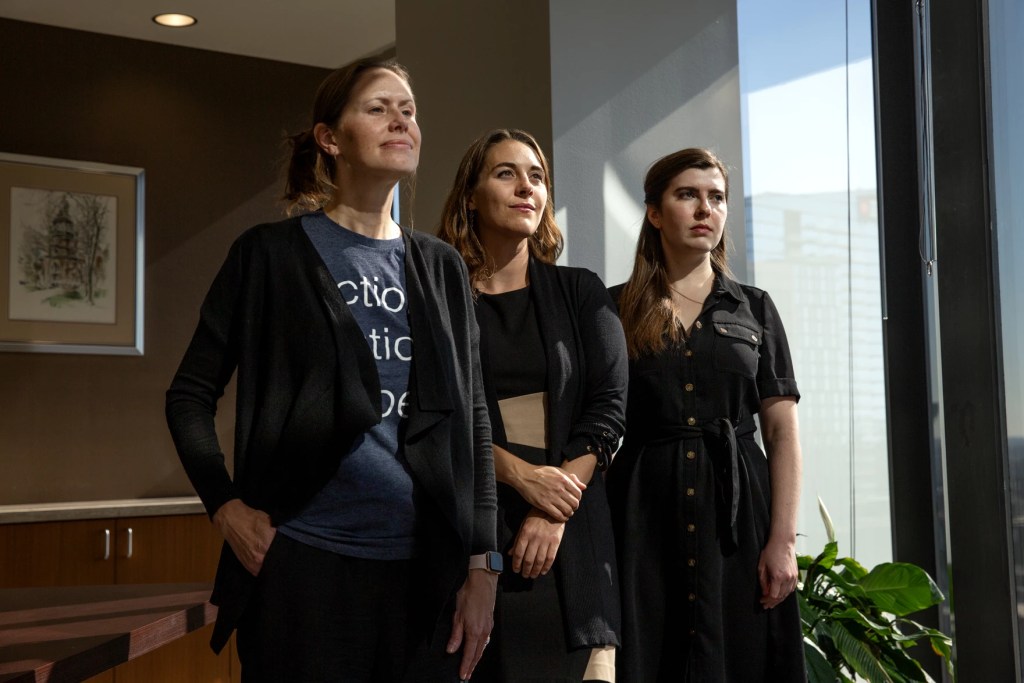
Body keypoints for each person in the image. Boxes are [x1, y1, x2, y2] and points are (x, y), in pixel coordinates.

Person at [165, 57, 498, 683]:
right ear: (330, 138)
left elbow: (474, 422)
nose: (401, 118)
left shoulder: (442, 266)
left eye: (409, 109)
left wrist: (482, 565)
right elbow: (189, 396)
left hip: (428, 575)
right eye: (378, 107)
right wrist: (224, 505)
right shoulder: (268, 256)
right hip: (302, 565)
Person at [607, 147, 806, 681]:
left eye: (715, 197)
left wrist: (783, 541)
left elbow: (782, 432)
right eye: (687, 195)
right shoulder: (613, 308)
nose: (705, 209)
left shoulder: (755, 307)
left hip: (740, 514)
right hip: (643, 512)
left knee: (744, 652)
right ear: (654, 212)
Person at [437, 128, 627, 683]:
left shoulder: (580, 291)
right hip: (475, 538)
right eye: (506, 173)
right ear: (470, 196)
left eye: (537, 177)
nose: (527, 187)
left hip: (571, 536)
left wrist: (553, 507)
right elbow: (435, 420)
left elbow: (609, 410)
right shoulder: (441, 301)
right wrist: (522, 477)